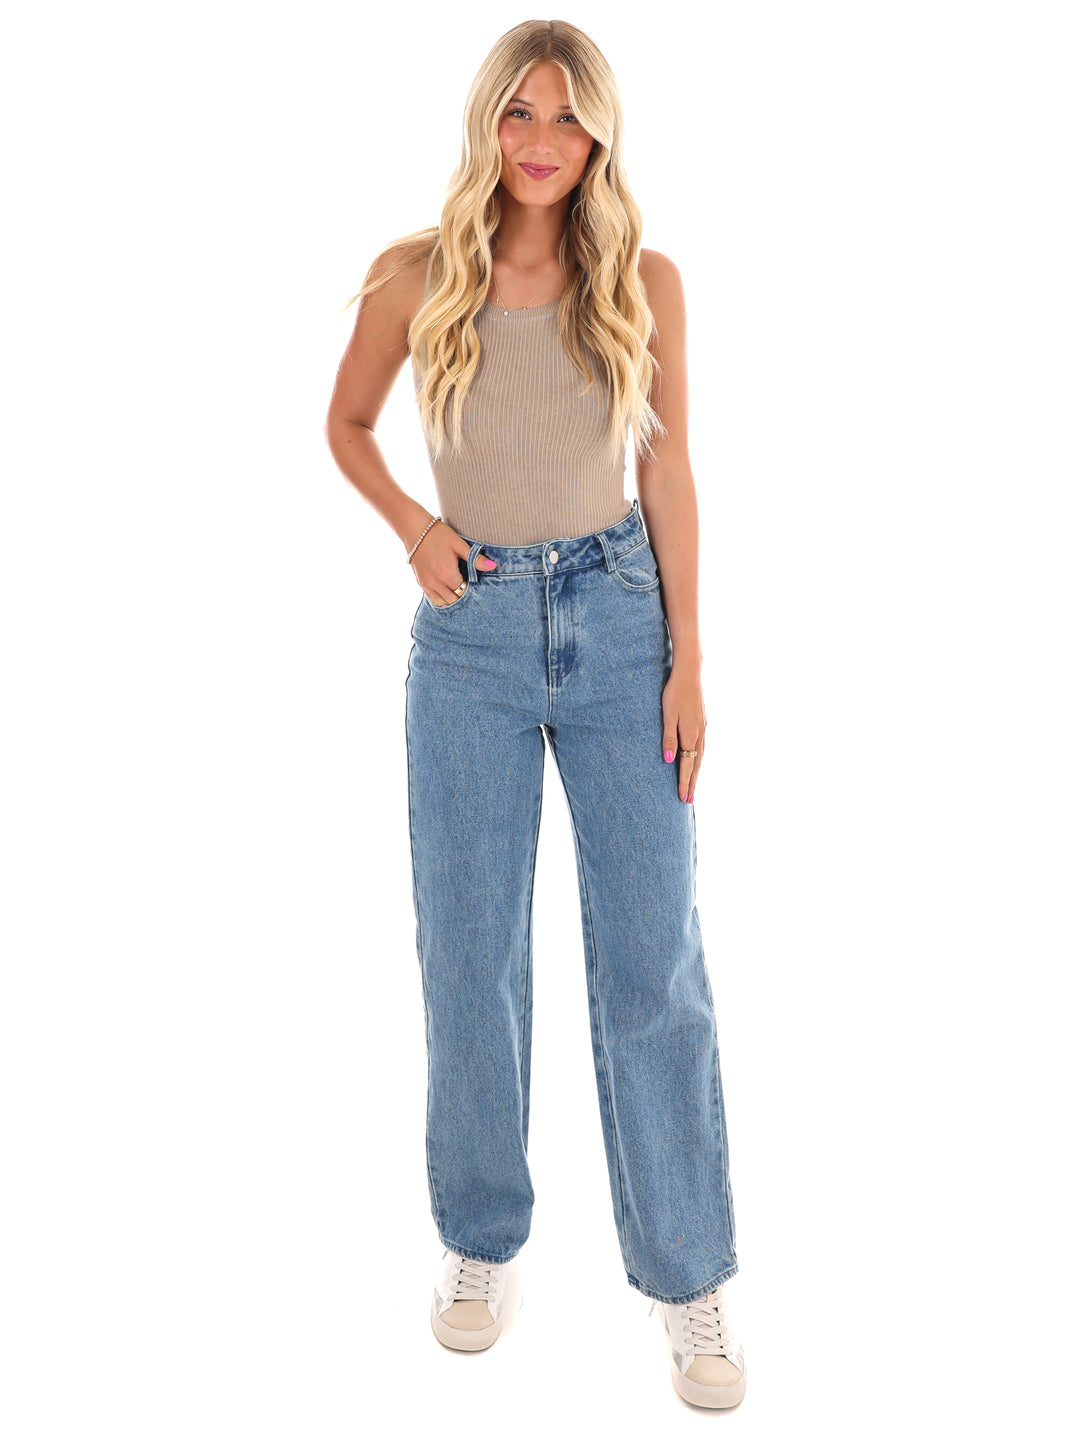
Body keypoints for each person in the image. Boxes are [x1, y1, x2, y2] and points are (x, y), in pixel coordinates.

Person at [324, 19, 746, 1410]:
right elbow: (346, 425)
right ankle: (479, 1242)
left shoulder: (644, 281)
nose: (543, 141)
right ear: (487, 123)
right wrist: (414, 530)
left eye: (567, 117)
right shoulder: (416, 275)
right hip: (472, 638)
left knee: (654, 963)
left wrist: (690, 658)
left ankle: (690, 1280)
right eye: (520, 113)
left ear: (599, 133)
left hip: (623, 629)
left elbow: (670, 473)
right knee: (470, 958)